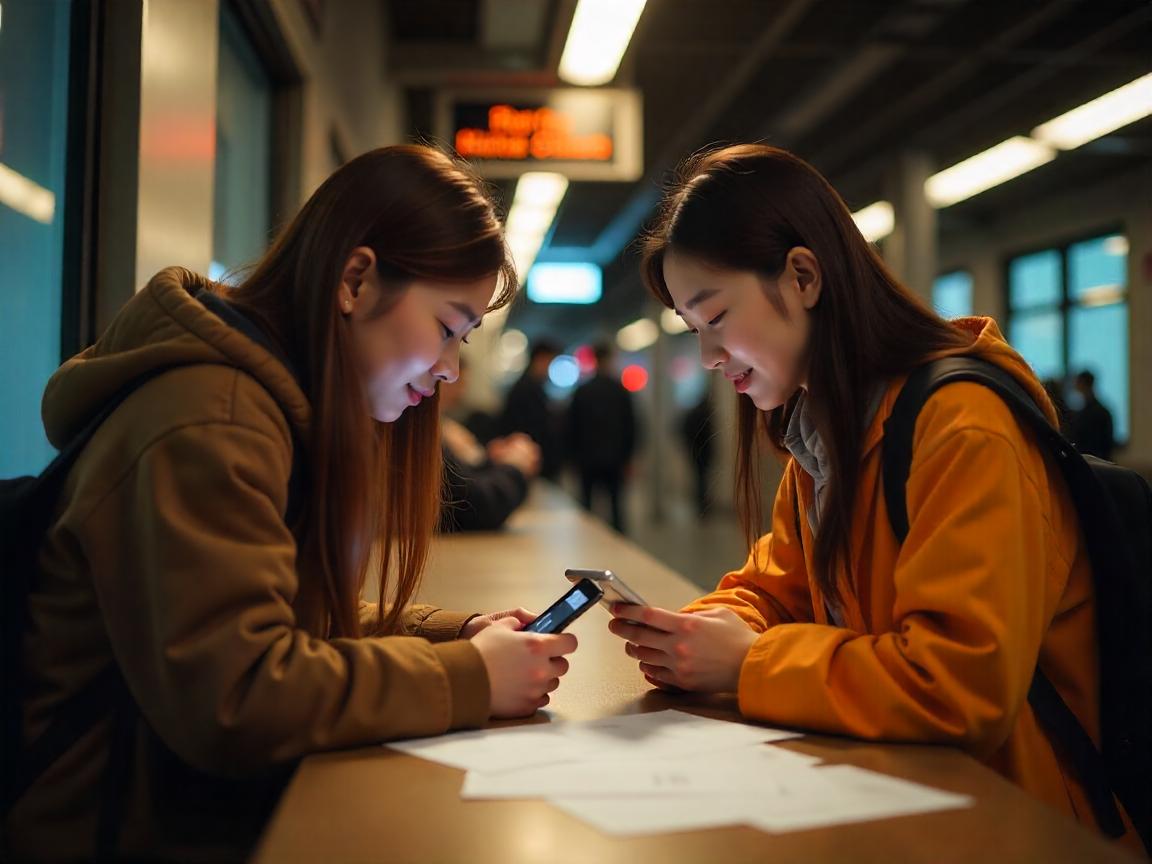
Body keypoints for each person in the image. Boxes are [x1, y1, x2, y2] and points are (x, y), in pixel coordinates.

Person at [4, 145, 577, 863]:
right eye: (445, 328)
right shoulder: (213, 417)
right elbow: (239, 697)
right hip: (108, 830)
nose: (449, 370)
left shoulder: (264, 402)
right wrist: (472, 677)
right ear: (356, 280)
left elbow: (278, 616)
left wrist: (456, 637)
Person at [607, 144, 1140, 850]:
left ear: (802, 276)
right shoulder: (829, 433)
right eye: (694, 329)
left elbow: (957, 687)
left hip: (1022, 820)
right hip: (907, 792)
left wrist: (746, 664)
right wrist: (698, 632)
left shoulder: (963, 429)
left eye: (715, 318)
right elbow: (779, 590)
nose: (708, 356)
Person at [439, 359, 541, 531]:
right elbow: (472, 505)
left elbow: (464, 481)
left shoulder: (446, 426)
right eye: (457, 382)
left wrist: (491, 460)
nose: (461, 390)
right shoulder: (434, 430)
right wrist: (514, 467)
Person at [566, 344, 637, 533]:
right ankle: (619, 545)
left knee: (587, 507)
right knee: (616, 507)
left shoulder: (583, 391)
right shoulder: (620, 391)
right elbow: (631, 426)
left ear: (594, 360)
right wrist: (628, 458)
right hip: (615, 459)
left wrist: (573, 458)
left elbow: (572, 427)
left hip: (587, 459)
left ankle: (588, 542)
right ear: (610, 359)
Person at [498, 341, 563, 479]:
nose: (549, 369)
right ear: (540, 359)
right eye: (549, 362)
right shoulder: (528, 388)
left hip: (528, 458)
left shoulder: (528, 385)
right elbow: (531, 427)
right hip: (529, 459)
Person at [679, 389, 716, 516]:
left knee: (700, 480)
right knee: (702, 481)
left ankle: (701, 506)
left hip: (696, 452)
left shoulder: (694, 412)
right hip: (702, 452)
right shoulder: (704, 414)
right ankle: (702, 507)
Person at [1069, 370, 1115, 461]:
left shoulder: (1088, 414)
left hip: (1091, 463)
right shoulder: (1103, 411)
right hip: (1097, 463)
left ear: (1082, 384)